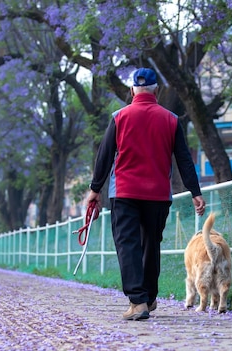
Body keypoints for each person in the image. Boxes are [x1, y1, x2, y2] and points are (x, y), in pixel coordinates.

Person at [86, 67, 206, 321]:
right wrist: (194, 191)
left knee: (128, 244)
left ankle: (138, 301)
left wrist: (95, 190)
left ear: (132, 91)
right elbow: (184, 159)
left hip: (125, 193)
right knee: (151, 243)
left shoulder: (119, 116)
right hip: (158, 196)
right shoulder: (171, 119)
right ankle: (149, 298)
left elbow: (104, 156)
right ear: (157, 91)